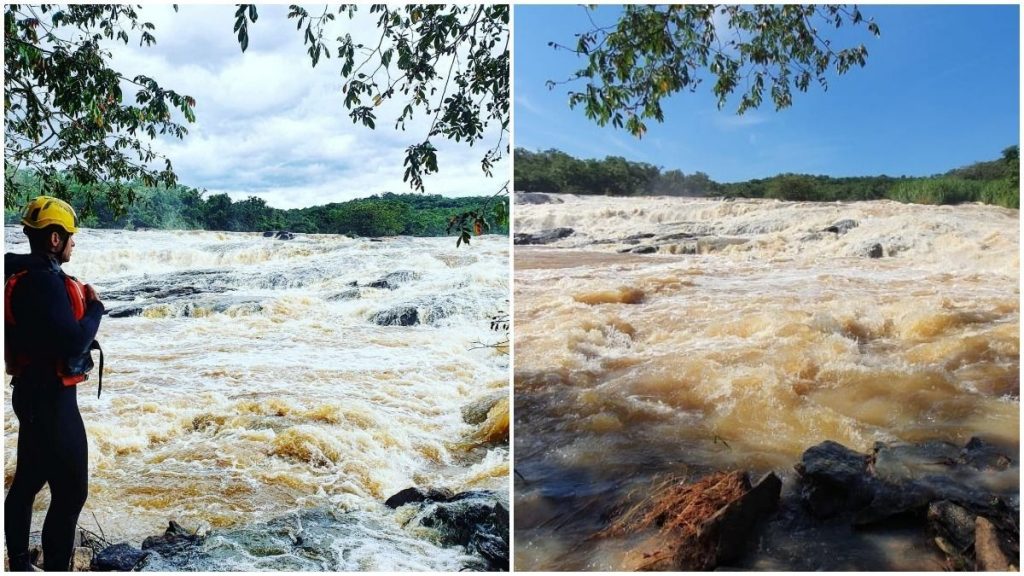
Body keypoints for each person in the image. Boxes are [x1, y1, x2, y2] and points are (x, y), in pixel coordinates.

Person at [4, 196, 104, 571]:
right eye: (71, 236)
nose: (74, 242)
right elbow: (72, 341)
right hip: (53, 402)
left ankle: (18, 564)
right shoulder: (45, 283)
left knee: (28, 481)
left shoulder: (23, 273)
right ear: (54, 239)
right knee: (71, 492)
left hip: (30, 394)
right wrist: (95, 310)